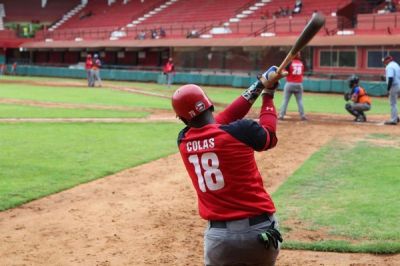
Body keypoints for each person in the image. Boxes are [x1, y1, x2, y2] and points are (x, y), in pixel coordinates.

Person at [171, 66, 286, 266]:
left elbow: (217, 124)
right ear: (210, 104)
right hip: (259, 235)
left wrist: (260, 84)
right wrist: (268, 94)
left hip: (219, 240)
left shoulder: (183, 141)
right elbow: (270, 136)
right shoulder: (242, 130)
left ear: (182, 119)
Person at [278, 52, 307, 121]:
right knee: (300, 100)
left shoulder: (290, 63)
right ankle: (302, 116)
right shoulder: (301, 63)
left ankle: (281, 115)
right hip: (299, 84)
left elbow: (284, 73)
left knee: (285, 100)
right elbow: (302, 72)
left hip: (290, 84)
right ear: (299, 56)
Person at [383, 55, 400, 125]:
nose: (384, 63)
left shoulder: (389, 66)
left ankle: (393, 120)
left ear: (388, 60)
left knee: (393, 103)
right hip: (398, 84)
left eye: (385, 61)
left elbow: (390, 78)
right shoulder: (396, 65)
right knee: (394, 103)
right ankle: (396, 117)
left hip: (394, 86)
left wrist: (388, 89)